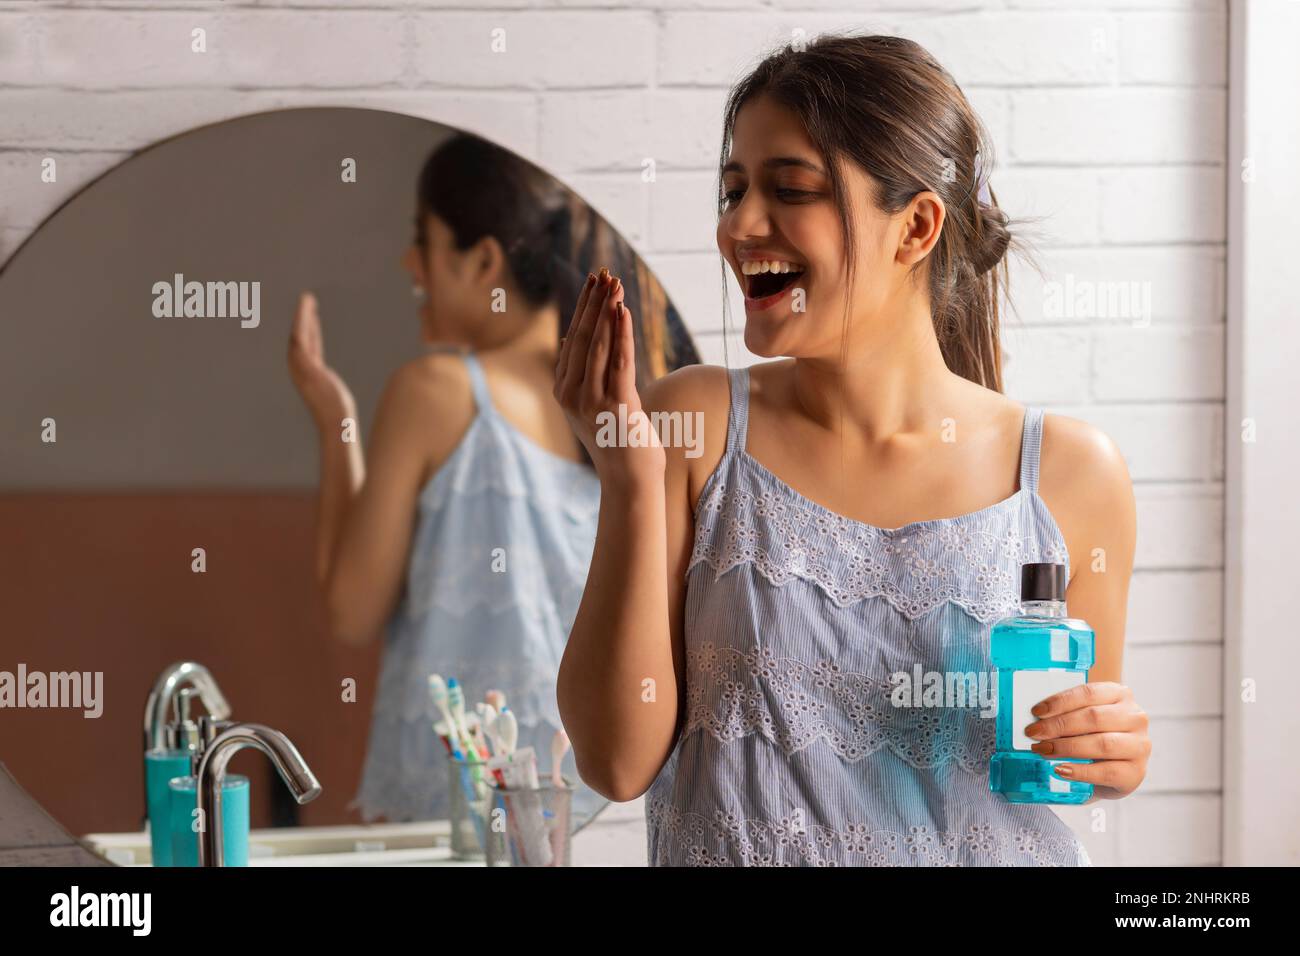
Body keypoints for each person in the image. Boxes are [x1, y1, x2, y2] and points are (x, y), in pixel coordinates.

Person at [554, 33, 1149, 865]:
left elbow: (1066, 756)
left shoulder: (1070, 475)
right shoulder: (694, 426)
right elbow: (617, 763)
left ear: (915, 228)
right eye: (733, 192)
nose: (740, 227)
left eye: (790, 189)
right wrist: (625, 476)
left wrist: (1108, 753)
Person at [287, 132, 694, 830]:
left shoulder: (434, 392)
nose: (408, 261)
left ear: (482, 260)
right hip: (599, 817)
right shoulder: (636, 403)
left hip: (459, 825)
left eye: (424, 240)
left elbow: (352, 610)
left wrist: (335, 425)